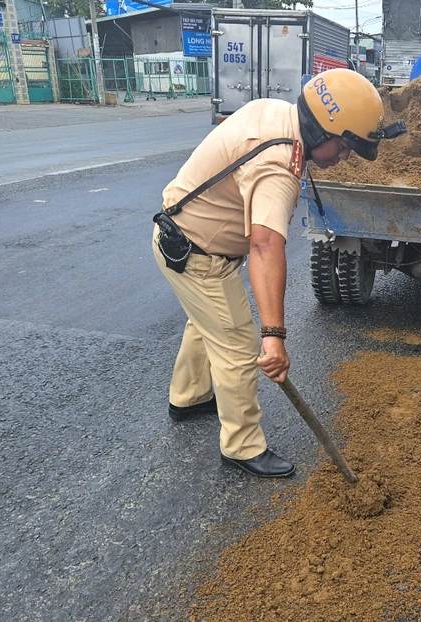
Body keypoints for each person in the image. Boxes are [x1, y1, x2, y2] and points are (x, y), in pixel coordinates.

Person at [152, 69, 403, 478]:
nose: (344, 158)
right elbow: (265, 246)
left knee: (208, 321)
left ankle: (190, 397)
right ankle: (242, 445)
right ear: (321, 130)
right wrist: (273, 337)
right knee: (237, 345)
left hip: (182, 235)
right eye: (343, 147)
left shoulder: (277, 112)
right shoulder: (278, 167)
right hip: (196, 254)